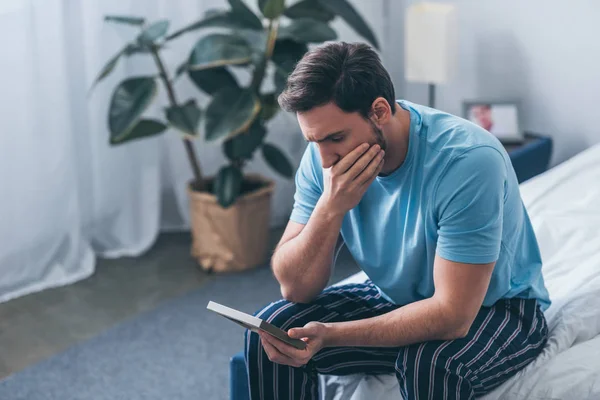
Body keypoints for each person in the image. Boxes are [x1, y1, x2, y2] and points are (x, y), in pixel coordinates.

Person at [244, 41, 550, 400]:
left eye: (335, 138)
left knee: (427, 363)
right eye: (314, 141)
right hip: (398, 298)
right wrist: (330, 208)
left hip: (498, 309)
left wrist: (332, 333)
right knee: (272, 330)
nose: (325, 159)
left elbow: (452, 315)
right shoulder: (322, 159)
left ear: (379, 111)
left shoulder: (467, 162)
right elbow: (295, 287)